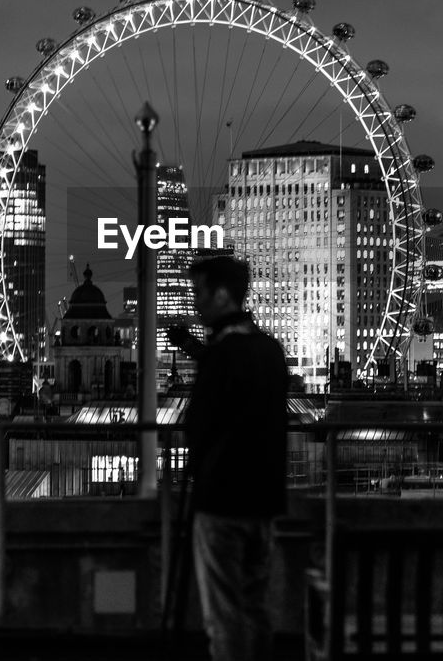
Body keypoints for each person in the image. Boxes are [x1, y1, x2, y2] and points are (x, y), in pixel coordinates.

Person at [181, 256, 289, 661]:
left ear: (222, 294)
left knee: (224, 618)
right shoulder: (271, 351)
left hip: (222, 502)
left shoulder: (223, 354)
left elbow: (199, 426)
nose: (196, 305)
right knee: (256, 607)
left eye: (200, 294)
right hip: (264, 503)